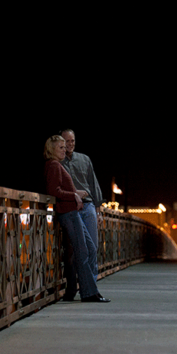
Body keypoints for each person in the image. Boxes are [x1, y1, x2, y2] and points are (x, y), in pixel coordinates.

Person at [44, 135, 109, 303]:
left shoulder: (57, 165)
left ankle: (90, 291)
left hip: (72, 212)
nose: (64, 150)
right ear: (52, 149)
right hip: (68, 213)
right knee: (82, 251)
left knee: (88, 249)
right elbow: (53, 191)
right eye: (60, 147)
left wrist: (75, 193)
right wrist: (73, 195)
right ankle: (89, 293)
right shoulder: (54, 165)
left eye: (64, 147)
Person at [60, 129, 103, 279]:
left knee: (93, 247)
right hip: (71, 208)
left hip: (88, 206)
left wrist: (98, 212)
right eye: (67, 141)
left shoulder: (85, 159)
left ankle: (92, 283)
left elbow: (94, 185)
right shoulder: (57, 162)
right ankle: (79, 283)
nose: (70, 144)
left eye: (72, 141)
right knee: (76, 248)